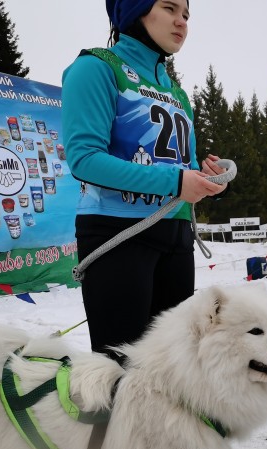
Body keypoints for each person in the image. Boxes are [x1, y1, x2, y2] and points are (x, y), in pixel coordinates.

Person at [62, 0, 228, 358]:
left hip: (177, 238)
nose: (181, 22)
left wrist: (207, 177)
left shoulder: (177, 93)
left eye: (186, 15)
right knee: (122, 372)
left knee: (174, 370)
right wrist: (176, 182)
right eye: (169, 9)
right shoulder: (96, 68)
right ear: (133, 11)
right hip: (119, 234)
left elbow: (185, 167)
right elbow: (84, 159)